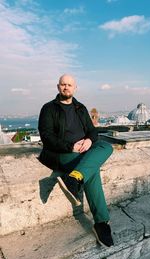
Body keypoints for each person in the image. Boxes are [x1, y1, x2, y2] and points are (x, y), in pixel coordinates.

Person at [38, 74, 114, 247]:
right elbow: (46, 136)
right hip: (62, 153)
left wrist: (88, 141)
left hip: (83, 150)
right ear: (58, 87)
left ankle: (74, 177)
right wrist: (70, 147)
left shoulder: (80, 108)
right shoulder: (48, 108)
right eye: (63, 84)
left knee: (106, 147)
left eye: (69, 85)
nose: (66, 87)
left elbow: (92, 132)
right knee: (92, 170)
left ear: (75, 88)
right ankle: (102, 223)